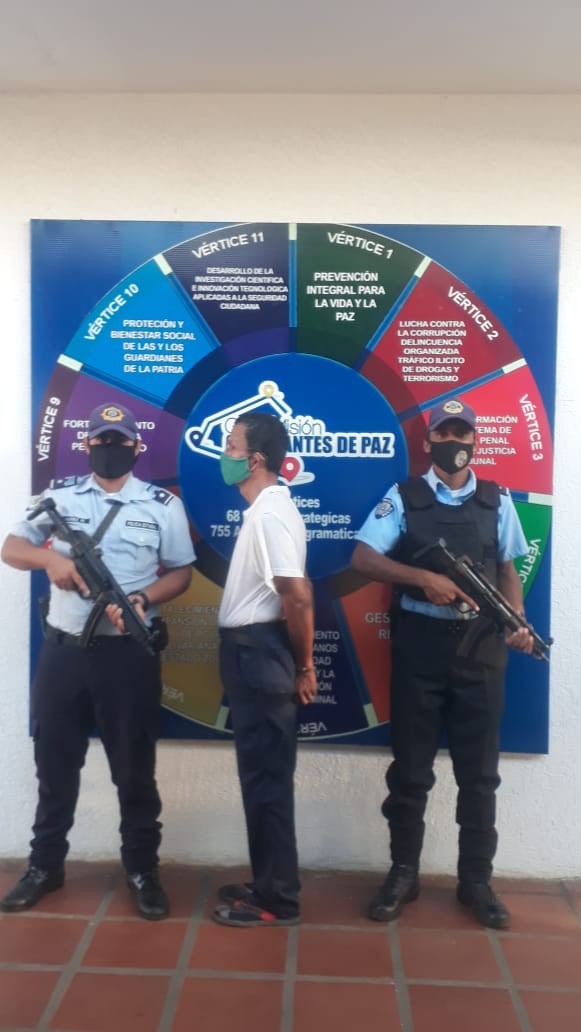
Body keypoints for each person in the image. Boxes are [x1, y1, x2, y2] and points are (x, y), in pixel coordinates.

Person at [0, 402, 194, 920]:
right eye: (102, 440)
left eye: (120, 440)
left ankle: (142, 869)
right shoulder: (58, 497)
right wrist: (50, 559)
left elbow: (181, 572)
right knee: (54, 764)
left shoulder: (162, 505)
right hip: (64, 653)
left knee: (134, 770)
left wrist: (143, 599)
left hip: (127, 657)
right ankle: (45, 865)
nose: (111, 448)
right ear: (86, 444)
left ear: (137, 446)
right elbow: (11, 548)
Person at [350, 397, 533, 929]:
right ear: (428, 441)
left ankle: (476, 882)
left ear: (475, 440)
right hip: (421, 648)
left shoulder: (497, 500)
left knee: (480, 776)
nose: (454, 442)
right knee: (410, 773)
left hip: (482, 651)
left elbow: (507, 569)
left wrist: (516, 619)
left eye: (462, 433)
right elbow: (363, 557)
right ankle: (403, 875)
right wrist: (422, 578)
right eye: (444, 434)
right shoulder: (404, 497)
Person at [212, 411, 317, 928]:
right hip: (251, 652)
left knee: (268, 780)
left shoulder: (271, 514)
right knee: (260, 776)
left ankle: (278, 898)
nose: (225, 454)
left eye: (231, 446)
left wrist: (304, 665)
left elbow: (297, 595)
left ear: (254, 459)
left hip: (260, 653)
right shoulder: (264, 511)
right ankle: (267, 881)